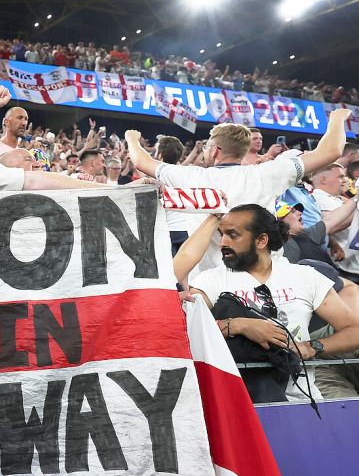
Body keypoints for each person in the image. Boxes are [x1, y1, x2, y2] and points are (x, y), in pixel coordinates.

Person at [126, 109, 350, 272]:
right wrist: (337, 118)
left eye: (206, 147)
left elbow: (141, 161)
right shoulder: (265, 174)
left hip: (206, 282)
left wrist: (132, 138)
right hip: (263, 276)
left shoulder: (191, 176)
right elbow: (331, 150)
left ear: (215, 151)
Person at [183, 205, 359, 401]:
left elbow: (354, 331)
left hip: (302, 399)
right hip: (239, 400)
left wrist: (311, 347)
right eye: (222, 234)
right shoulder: (211, 279)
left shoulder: (305, 276)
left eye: (232, 235)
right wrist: (238, 325)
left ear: (261, 240)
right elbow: (186, 327)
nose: (222, 242)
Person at [309, 163, 359, 280]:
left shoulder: (335, 197)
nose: (345, 180)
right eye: (340, 176)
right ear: (324, 179)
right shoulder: (319, 198)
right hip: (351, 266)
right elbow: (334, 225)